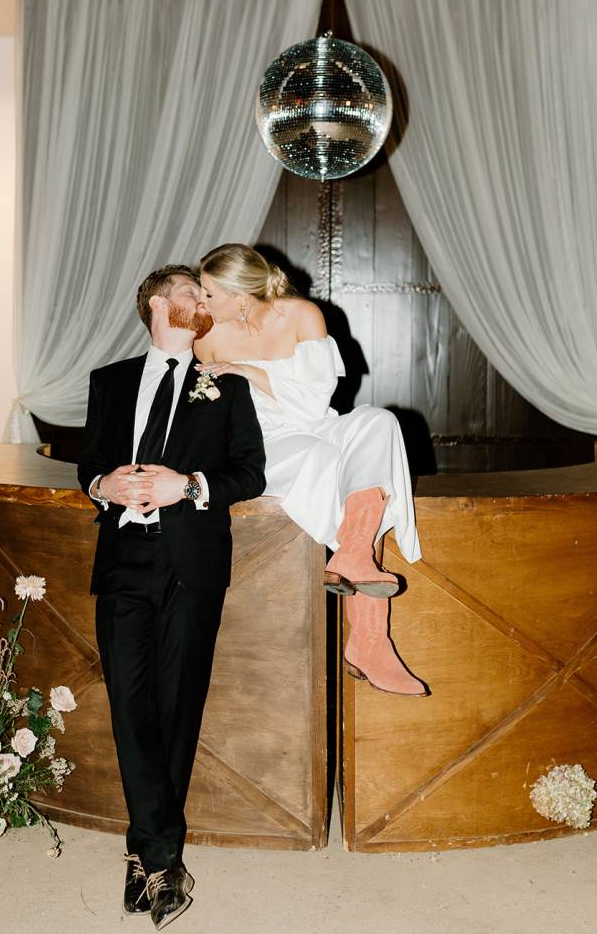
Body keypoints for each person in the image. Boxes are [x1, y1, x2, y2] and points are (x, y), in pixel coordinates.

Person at [78, 265, 265, 929]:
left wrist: (186, 485)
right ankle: (160, 858)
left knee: (177, 708)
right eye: (192, 290)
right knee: (130, 709)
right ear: (158, 303)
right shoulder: (109, 381)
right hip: (122, 560)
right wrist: (103, 485)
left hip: (190, 564)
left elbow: (249, 472)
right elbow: (89, 463)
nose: (202, 300)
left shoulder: (227, 386)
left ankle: (149, 859)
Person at [194, 243, 428, 698]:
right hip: (263, 445)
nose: (202, 303)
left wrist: (246, 370)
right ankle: (370, 640)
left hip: (315, 423)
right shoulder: (209, 336)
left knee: (379, 421)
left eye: (208, 293)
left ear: (240, 296)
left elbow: (313, 403)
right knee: (328, 463)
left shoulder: (303, 315)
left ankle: (354, 554)